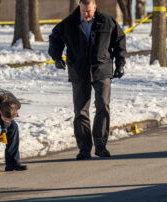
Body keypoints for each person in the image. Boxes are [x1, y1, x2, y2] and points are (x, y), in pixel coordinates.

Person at [48, 0, 126, 160]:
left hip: (102, 69)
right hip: (79, 71)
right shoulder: (69, 23)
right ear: (80, 8)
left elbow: (119, 42)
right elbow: (54, 38)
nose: (86, 14)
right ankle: (84, 148)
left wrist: (120, 64)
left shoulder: (107, 21)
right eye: (83, 11)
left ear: (95, 7)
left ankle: (101, 145)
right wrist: (56, 57)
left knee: (103, 106)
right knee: (81, 110)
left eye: (89, 11)